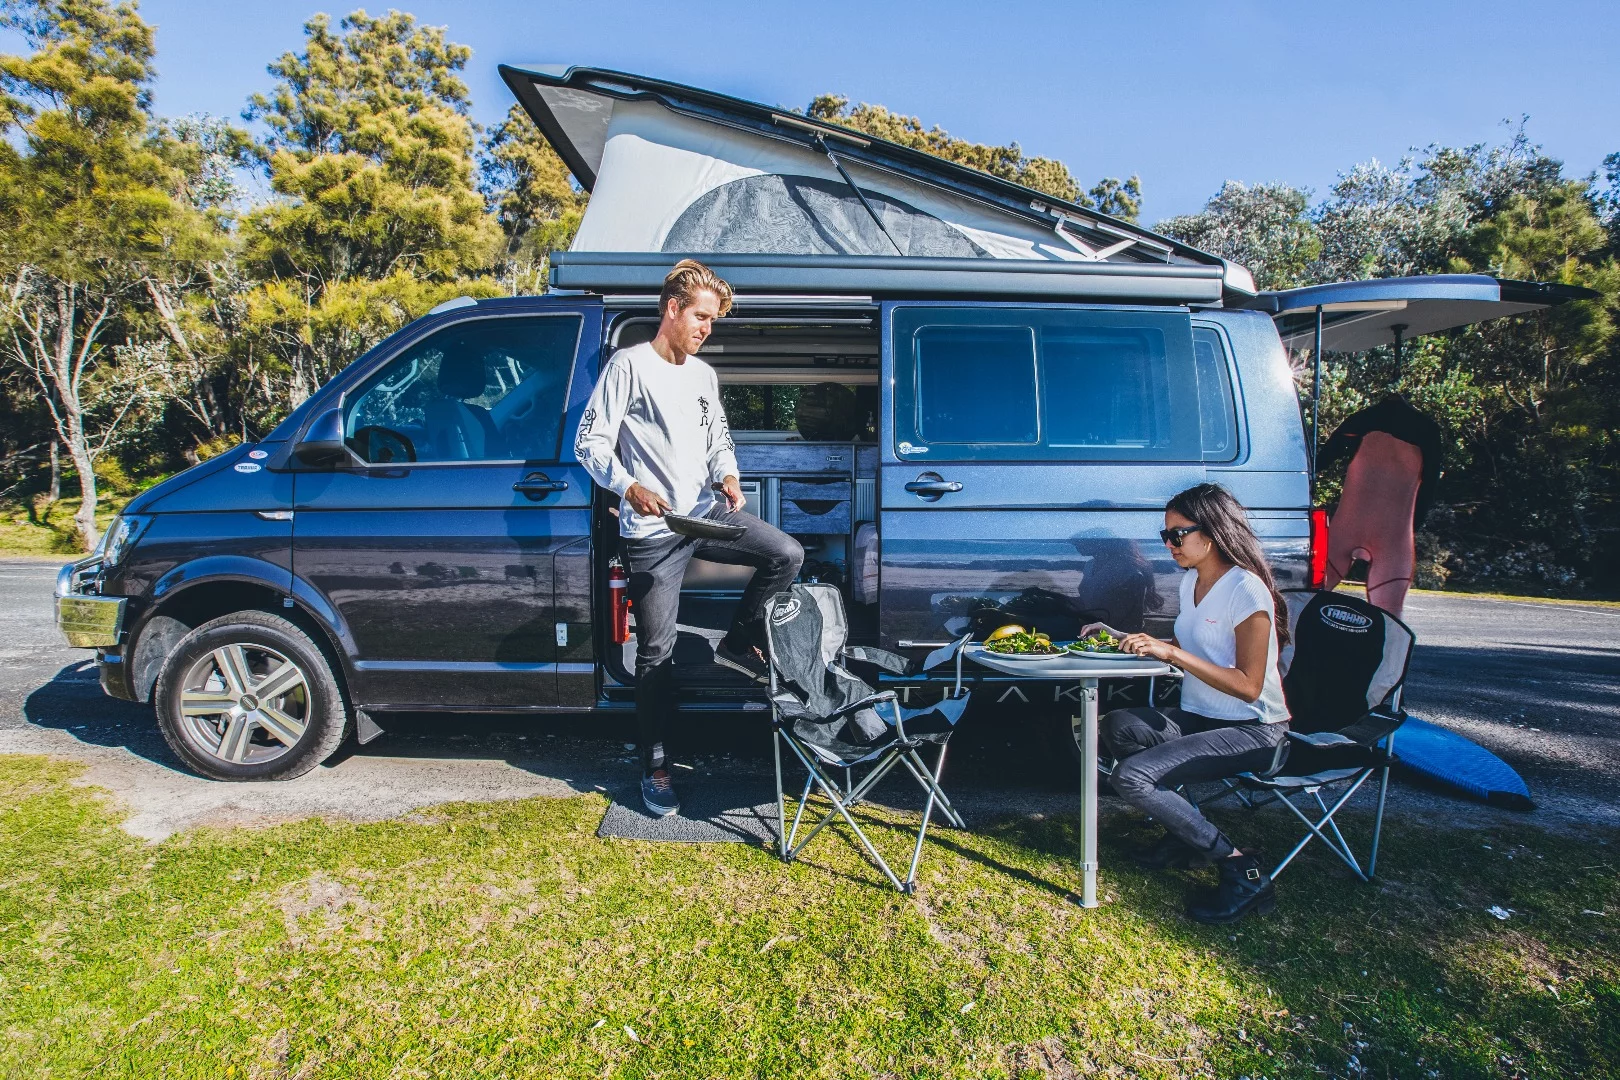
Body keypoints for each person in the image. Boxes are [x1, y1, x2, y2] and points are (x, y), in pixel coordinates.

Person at [575, 260, 804, 818]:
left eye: (713, 320)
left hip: (704, 513)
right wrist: (629, 487)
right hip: (654, 531)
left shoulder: (703, 375)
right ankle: (655, 764)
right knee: (657, 652)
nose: (707, 327)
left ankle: (738, 640)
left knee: (785, 554)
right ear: (672, 309)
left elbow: (718, 437)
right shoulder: (629, 366)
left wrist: (729, 474)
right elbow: (590, 442)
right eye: (701, 316)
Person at [1083, 483, 1290, 924]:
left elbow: (1249, 686)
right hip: (1202, 717)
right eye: (1165, 535)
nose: (1168, 544)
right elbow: (1190, 646)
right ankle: (1186, 838)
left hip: (1255, 729)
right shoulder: (1191, 581)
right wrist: (1123, 638)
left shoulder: (1246, 589)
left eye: (1177, 534)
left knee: (1132, 777)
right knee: (1118, 725)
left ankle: (1242, 869)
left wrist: (1171, 655)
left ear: (1212, 532)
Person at [1316, 393, 1443, 617]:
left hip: (1348, 527)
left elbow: (1323, 459)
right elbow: (1430, 485)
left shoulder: (1362, 419)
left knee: (1311, 600)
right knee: (1390, 615)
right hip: (1393, 536)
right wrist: (1414, 527)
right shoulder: (1428, 430)